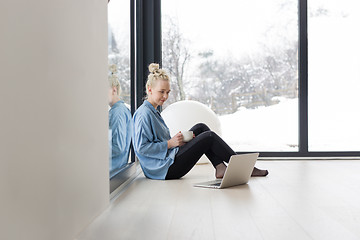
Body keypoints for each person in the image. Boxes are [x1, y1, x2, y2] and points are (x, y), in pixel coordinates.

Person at [132, 63, 268, 180]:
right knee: (209, 137)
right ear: (149, 89)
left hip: (167, 159)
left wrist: (176, 142)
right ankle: (245, 168)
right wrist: (170, 143)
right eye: (161, 92)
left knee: (201, 128)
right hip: (164, 169)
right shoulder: (144, 114)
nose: (165, 96)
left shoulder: (153, 111)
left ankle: (220, 167)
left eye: (167, 92)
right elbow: (141, 148)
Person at [108, 65, 132, 173]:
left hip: (112, 171)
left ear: (114, 90)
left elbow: (118, 147)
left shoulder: (118, 112)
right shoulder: (120, 110)